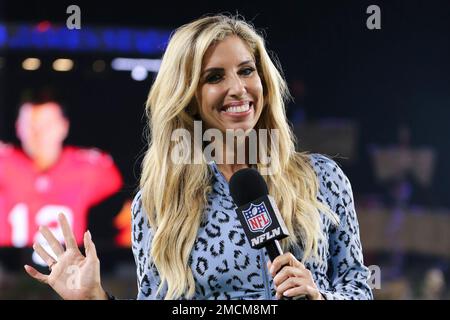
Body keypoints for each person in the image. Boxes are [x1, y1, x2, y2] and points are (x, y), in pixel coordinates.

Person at [24, 15, 373, 300]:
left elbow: (359, 287)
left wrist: (320, 297)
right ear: (188, 97)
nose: (237, 87)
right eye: (214, 77)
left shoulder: (322, 179)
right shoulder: (160, 203)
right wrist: (93, 298)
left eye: (246, 70)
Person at [0, 98, 123, 256]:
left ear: (63, 126)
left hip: (69, 272)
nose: (39, 134)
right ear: (18, 127)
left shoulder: (90, 168)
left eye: (47, 125)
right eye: (30, 125)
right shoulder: (5, 162)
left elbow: (126, 211)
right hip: (8, 271)